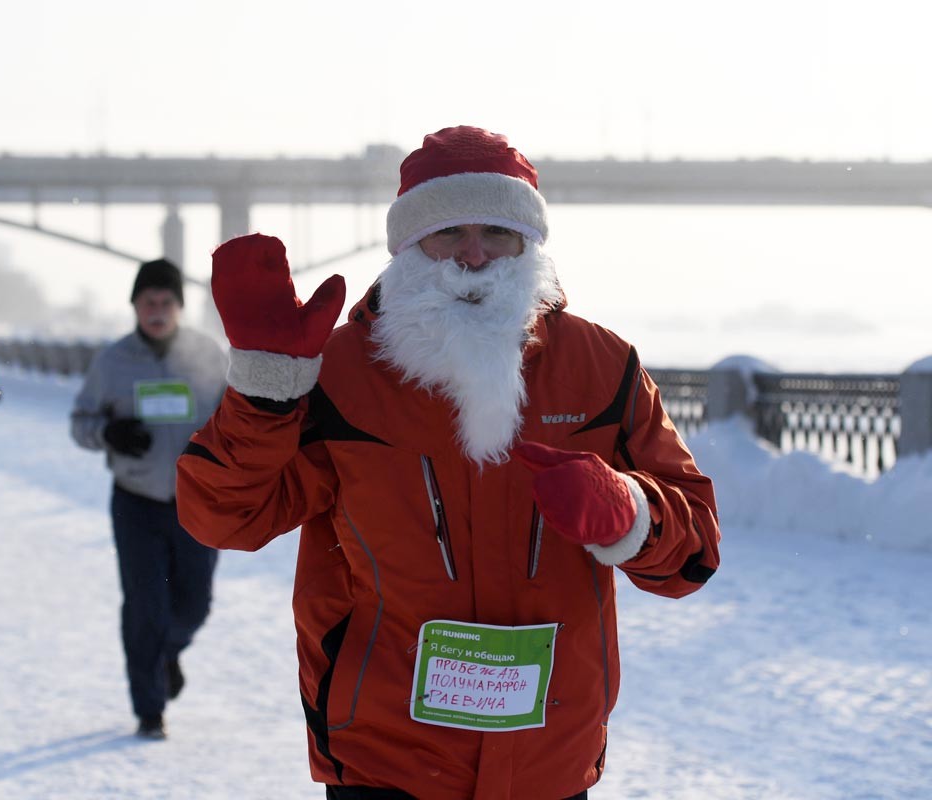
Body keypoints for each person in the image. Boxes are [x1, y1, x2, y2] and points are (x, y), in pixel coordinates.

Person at [176, 126, 722, 800]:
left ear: (529, 245)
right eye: (448, 232)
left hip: (552, 760)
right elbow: (225, 518)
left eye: (497, 232)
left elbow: (694, 549)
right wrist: (262, 391)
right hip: (387, 759)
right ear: (408, 246)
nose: (473, 254)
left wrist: (631, 512)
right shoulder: (342, 373)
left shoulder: (603, 366)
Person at [69, 258, 227, 740]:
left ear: (179, 306)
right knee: (143, 605)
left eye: (165, 302)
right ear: (135, 306)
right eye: (147, 302)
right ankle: (148, 707)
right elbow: (80, 423)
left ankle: (167, 652)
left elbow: (238, 422)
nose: (156, 310)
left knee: (194, 605)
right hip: (136, 500)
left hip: (197, 503)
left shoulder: (209, 356)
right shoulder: (112, 362)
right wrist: (109, 433)